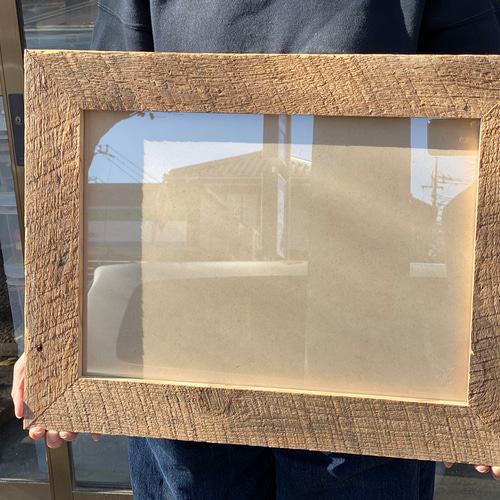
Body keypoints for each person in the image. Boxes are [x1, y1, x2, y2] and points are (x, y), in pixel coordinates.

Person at [12, 0, 500, 497]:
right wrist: (58, 333)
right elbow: (96, 121)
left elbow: (482, 141)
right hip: (188, 354)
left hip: (365, 354)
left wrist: (487, 364)